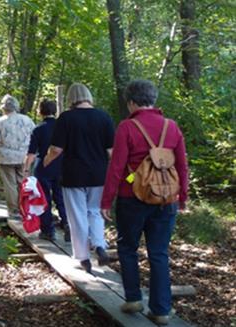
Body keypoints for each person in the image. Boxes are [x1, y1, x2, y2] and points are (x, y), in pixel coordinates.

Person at [100, 80, 188, 325]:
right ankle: (161, 310)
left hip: (132, 197)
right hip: (166, 198)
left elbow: (117, 168)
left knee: (128, 248)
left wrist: (106, 201)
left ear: (131, 102)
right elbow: (181, 165)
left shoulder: (127, 127)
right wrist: (182, 197)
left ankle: (134, 299)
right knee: (159, 253)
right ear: (154, 99)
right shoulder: (172, 126)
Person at [43, 83, 115, 273]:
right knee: (94, 211)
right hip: (99, 174)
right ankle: (100, 245)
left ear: (71, 98)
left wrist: (45, 161)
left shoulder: (66, 118)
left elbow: (56, 149)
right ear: (88, 96)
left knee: (77, 216)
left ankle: (83, 258)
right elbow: (111, 152)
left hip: (73, 173)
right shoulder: (104, 117)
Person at [23, 99, 70, 242]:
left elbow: (31, 153)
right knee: (61, 197)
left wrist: (26, 169)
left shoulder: (38, 129)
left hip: (43, 166)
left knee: (44, 199)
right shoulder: (63, 127)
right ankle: (67, 224)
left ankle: (47, 230)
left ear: (40, 111)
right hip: (62, 166)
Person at [0, 94, 35, 217]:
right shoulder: (27, 120)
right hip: (24, 156)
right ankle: (25, 208)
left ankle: (14, 210)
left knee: (10, 184)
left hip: (6, 157)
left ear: (4, 108)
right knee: (22, 182)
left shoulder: (0, 122)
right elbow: (34, 137)